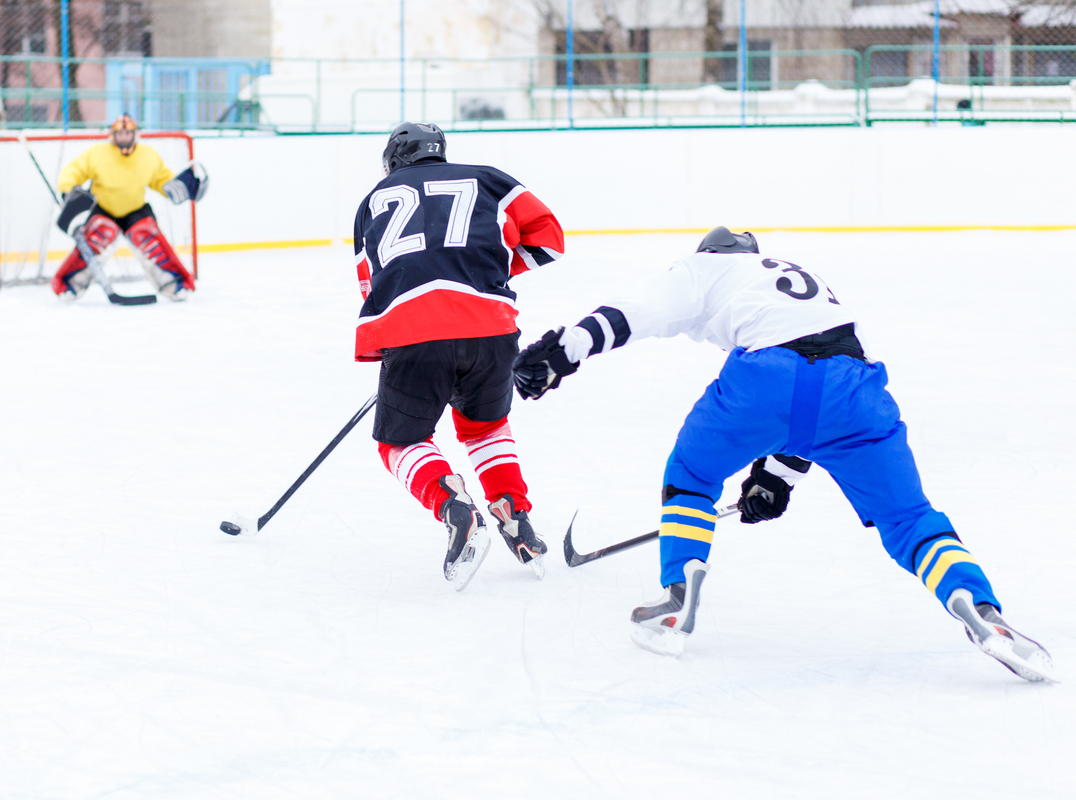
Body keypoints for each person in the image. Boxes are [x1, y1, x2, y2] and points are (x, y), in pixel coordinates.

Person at [512, 226, 1055, 682]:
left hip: (765, 378)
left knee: (693, 477)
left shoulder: (706, 268)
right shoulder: (794, 275)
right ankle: (979, 608)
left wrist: (562, 352)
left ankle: (679, 595)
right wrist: (777, 475)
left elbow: (638, 312)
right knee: (910, 518)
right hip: (855, 387)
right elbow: (815, 394)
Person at [353, 122, 564, 591]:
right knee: (484, 428)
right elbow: (549, 239)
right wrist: (482, 271)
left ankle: (453, 504)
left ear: (393, 160)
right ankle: (514, 512)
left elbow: (372, 285)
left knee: (400, 442)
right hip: (490, 329)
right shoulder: (489, 178)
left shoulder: (374, 200)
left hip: (413, 332)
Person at [51, 114, 206, 301]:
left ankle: (177, 286)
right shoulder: (97, 153)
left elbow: (161, 180)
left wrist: (180, 186)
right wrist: (68, 191)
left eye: (127, 133)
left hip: (136, 209)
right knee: (95, 241)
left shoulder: (148, 155)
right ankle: (68, 287)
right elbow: (74, 170)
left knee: (151, 241)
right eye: (120, 133)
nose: (124, 137)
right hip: (104, 209)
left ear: (135, 134)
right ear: (112, 134)